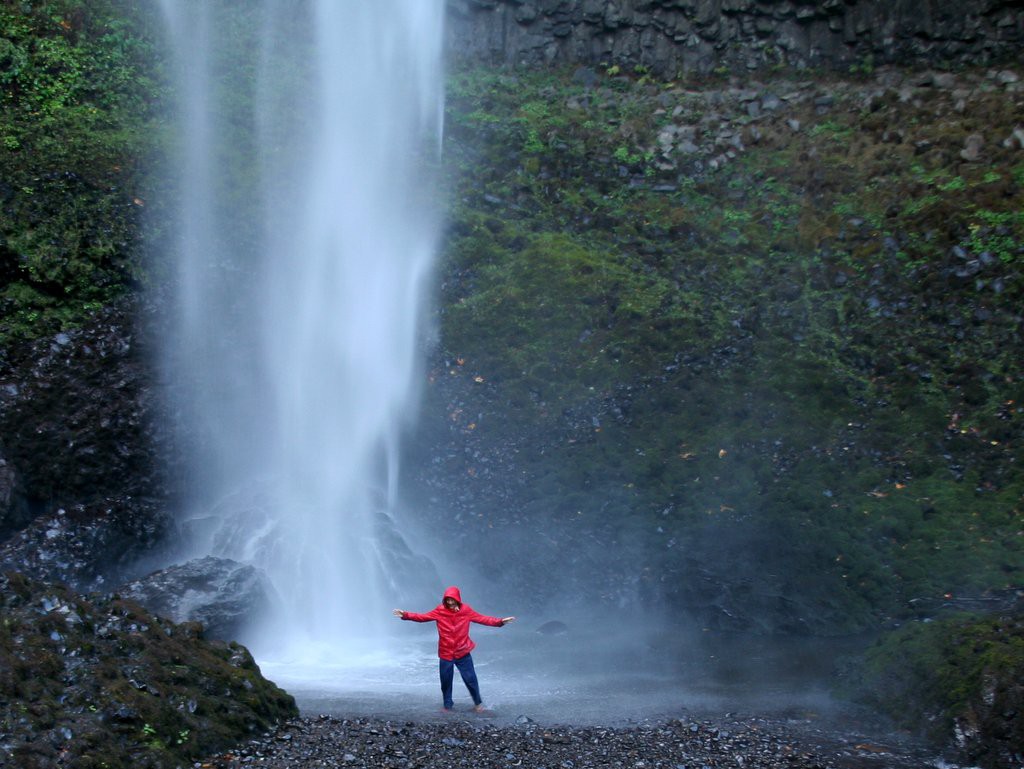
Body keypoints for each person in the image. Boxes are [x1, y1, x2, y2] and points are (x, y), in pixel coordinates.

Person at [393, 586, 515, 712]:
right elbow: (423, 617)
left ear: (458, 600)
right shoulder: (440, 610)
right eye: (448, 600)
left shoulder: (466, 610)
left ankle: (478, 704)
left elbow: (482, 619)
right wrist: (406, 615)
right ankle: (447, 706)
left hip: (462, 651)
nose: (450, 603)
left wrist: (500, 622)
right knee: (446, 682)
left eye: (452, 600)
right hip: (446, 652)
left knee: (471, 679)